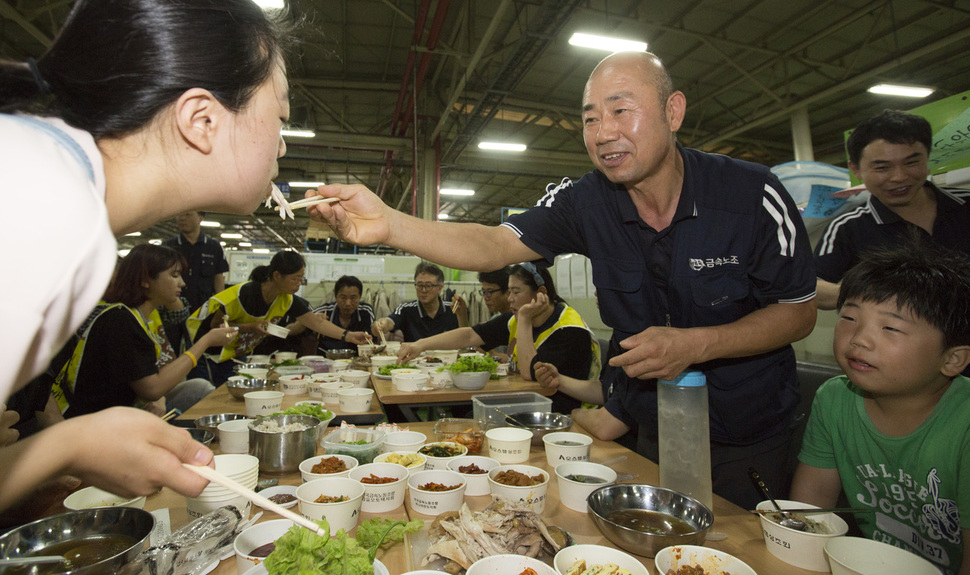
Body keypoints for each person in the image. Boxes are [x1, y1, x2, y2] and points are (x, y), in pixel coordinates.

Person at [309, 50, 817, 508]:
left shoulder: (751, 195)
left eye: (621, 110)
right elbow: (493, 243)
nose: (602, 132)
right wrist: (392, 225)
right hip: (651, 430)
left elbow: (799, 312)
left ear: (673, 110)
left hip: (747, 433)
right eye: (590, 118)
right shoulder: (585, 202)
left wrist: (698, 345)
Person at [0, 0, 292, 509]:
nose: (283, 146)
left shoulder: (56, 189)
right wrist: (69, 446)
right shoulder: (44, 206)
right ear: (201, 119)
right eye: (281, 117)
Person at [790, 242, 970, 575]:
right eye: (849, 317)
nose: (859, 339)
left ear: (953, 358)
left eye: (890, 328)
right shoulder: (835, 398)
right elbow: (811, 512)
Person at [50, 244, 235, 417]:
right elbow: (152, 388)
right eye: (174, 275)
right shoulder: (120, 321)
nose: (182, 283)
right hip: (96, 420)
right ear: (146, 280)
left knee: (199, 387)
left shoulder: (136, 316)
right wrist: (206, 341)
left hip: (124, 409)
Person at [815, 110, 970, 310]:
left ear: (927, 158)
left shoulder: (965, 205)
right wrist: (872, 295)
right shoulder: (848, 228)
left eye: (912, 162)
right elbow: (811, 286)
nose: (899, 177)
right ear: (856, 170)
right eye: (882, 168)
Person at [398, 263, 599, 414]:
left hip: (560, 414)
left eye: (516, 292)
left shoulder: (568, 329)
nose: (510, 298)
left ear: (541, 293)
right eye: (509, 291)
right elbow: (470, 335)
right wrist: (420, 345)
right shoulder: (516, 319)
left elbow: (530, 373)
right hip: (527, 403)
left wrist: (525, 320)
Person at [187, 250, 370, 384]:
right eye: (295, 279)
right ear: (276, 276)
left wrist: (350, 335)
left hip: (234, 353)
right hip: (205, 354)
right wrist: (251, 327)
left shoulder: (286, 299)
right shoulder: (245, 294)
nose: (299, 284)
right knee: (208, 399)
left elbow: (316, 323)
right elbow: (215, 325)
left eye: (301, 279)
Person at [372, 262, 459, 342]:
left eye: (428, 286)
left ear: (439, 288)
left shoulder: (452, 309)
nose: (423, 290)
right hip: (415, 358)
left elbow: (466, 335)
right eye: (420, 285)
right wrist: (381, 325)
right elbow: (390, 322)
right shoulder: (406, 309)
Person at [164, 211, 230, 312]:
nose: (182, 218)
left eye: (187, 214)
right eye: (179, 214)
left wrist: (219, 305)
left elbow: (218, 278)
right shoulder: (169, 246)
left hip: (204, 308)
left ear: (200, 218)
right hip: (175, 307)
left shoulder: (213, 247)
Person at [309, 275, 376, 352]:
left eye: (353, 298)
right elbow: (301, 325)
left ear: (360, 297)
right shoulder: (324, 311)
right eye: (343, 297)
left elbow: (373, 340)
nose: (348, 303)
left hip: (358, 360)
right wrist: (313, 319)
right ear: (336, 296)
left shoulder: (366, 311)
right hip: (326, 360)